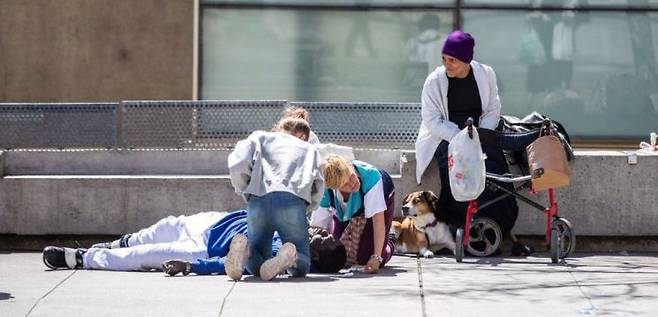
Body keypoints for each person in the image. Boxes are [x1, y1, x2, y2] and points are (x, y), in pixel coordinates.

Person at [414, 30, 522, 251]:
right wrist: (461, 137)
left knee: (495, 170)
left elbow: (493, 109)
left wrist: (481, 135)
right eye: (444, 59)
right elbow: (432, 120)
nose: (447, 64)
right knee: (455, 172)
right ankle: (455, 228)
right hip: (446, 135)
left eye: (452, 60)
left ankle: (498, 225)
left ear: (466, 59)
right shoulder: (434, 81)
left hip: (480, 133)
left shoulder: (486, 74)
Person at [41, 210, 346, 275]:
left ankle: (79, 258)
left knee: (148, 254)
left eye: (325, 241)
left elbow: (234, 263)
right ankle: (114, 244)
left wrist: (193, 265)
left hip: (206, 249)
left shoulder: (285, 253)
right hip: (213, 222)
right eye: (326, 233)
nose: (322, 234)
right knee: (161, 228)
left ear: (316, 257)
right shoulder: (301, 224)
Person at [226, 116, 325, 281]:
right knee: (302, 262)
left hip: (258, 199)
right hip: (293, 201)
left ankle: (246, 251)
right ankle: (290, 256)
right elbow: (319, 184)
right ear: (302, 135)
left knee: (258, 263)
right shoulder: (309, 148)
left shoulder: (258, 137)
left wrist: (245, 190)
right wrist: (306, 207)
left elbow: (238, 164)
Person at [310, 154, 395, 274]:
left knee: (365, 257)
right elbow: (317, 227)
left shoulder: (371, 176)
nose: (353, 182)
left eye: (351, 175)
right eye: (345, 184)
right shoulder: (325, 189)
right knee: (338, 253)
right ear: (334, 188)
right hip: (348, 211)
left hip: (381, 202)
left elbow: (378, 222)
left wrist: (377, 257)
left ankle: (391, 238)